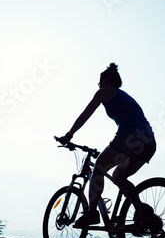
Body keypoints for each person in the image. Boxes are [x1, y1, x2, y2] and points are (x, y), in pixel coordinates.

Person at [58, 63, 156, 228]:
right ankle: (143, 211)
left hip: (129, 136)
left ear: (105, 81)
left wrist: (69, 135)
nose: (98, 85)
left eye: (100, 81)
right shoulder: (124, 96)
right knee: (119, 178)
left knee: (99, 168)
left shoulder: (104, 92)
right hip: (148, 142)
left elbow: (85, 114)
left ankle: (91, 213)